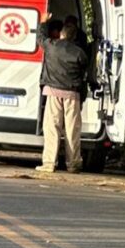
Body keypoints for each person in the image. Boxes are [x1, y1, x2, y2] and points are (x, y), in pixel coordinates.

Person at [36, 12, 90, 173]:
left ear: (61, 34)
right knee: (72, 130)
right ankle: (73, 164)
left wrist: (43, 22)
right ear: (74, 37)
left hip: (53, 92)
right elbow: (85, 69)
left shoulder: (51, 46)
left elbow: (39, 37)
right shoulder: (79, 53)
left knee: (52, 127)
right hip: (72, 95)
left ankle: (48, 163)